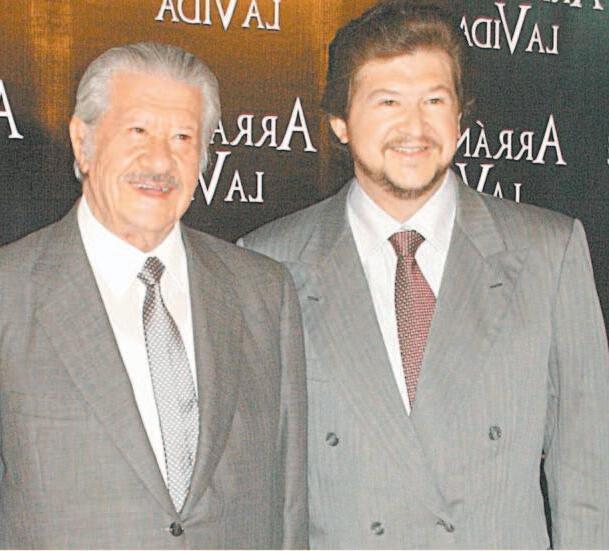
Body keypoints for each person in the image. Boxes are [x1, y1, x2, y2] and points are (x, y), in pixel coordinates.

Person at [240, 1, 609, 548]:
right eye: (387, 101)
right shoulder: (269, 263)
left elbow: (591, 478)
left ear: (459, 117)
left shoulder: (548, 253)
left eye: (434, 101)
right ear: (340, 122)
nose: (414, 127)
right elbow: (252, 489)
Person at [0, 42, 307, 549]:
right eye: (137, 131)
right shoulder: (10, 294)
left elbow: (287, 505)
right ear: (83, 141)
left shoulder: (264, 293)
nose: (160, 160)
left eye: (182, 137)